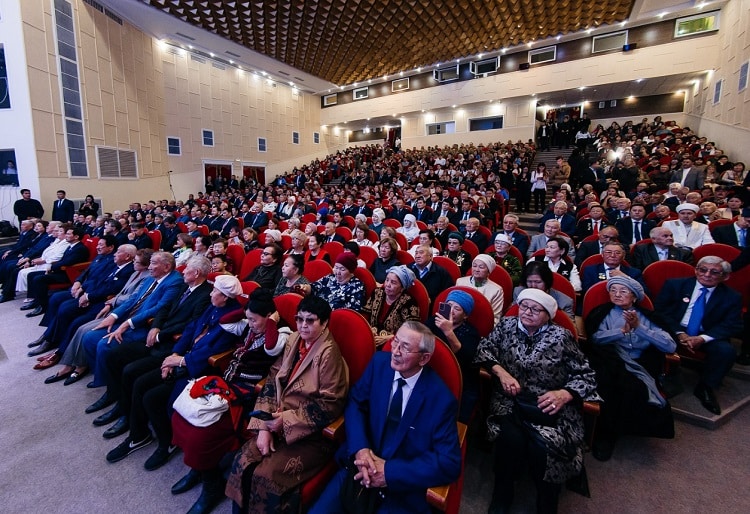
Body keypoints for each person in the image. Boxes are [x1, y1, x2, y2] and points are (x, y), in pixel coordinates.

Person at [308, 321, 461, 514]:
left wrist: (389, 472)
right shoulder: (379, 363)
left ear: (424, 358)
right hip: (359, 469)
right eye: (395, 341)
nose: (395, 351)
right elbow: (355, 403)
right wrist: (360, 449)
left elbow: (449, 463)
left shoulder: (441, 399)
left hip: (400, 490)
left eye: (405, 348)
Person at [474, 288, 600, 514]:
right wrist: (502, 373)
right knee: (510, 440)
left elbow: (586, 375)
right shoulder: (506, 326)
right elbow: (484, 350)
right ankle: (502, 494)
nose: (527, 312)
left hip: (549, 404)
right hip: (511, 401)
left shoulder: (561, 337)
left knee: (543, 447)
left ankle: (547, 499)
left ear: (547, 315)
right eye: (524, 306)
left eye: (535, 309)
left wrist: (564, 394)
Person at [104, 275, 243, 470]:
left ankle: (167, 443)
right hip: (183, 358)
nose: (211, 293)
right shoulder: (215, 306)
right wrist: (175, 354)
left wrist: (181, 361)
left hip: (200, 371)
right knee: (139, 382)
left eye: (215, 291)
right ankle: (138, 435)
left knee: (151, 397)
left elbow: (213, 352)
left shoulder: (232, 319)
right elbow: (191, 329)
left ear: (225, 297)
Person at [170, 288, 292, 512]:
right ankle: (200, 470)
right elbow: (225, 322)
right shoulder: (249, 324)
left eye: (255, 320)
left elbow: (271, 347)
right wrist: (247, 313)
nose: (250, 324)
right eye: (249, 319)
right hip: (226, 384)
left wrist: (271, 322)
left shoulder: (282, 332)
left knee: (202, 434)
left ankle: (212, 486)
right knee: (183, 414)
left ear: (269, 316)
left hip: (249, 393)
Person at [226, 295, 349, 513]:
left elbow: (331, 405)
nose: (303, 325)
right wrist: (264, 427)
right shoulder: (293, 339)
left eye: (310, 320)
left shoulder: (329, 354)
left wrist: (286, 421)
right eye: (299, 319)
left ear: (324, 323)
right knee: (242, 461)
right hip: (275, 419)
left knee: (265, 476)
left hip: (310, 434)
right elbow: (272, 378)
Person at [585, 276, 676, 461]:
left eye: (623, 291)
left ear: (634, 297)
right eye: (613, 290)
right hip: (609, 359)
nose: (617, 294)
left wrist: (639, 328)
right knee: (609, 384)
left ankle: (622, 429)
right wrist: (620, 332)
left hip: (640, 362)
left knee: (635, 389)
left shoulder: (647, 317)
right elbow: (595, 339)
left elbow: (670, 346)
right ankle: (605, 435)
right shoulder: (603, 313)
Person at [655, 257, 743, 415]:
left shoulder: (732, 297)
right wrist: (680, 333)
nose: (707, 275)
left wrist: (702, 338)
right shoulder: (675, 285)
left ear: (725, 276)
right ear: (696, 270)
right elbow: (661, 312)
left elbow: (732, 324)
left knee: (726, 351)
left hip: (707, 334)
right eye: (703, 270)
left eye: (714, 272)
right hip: (674, 329)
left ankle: (706, 387)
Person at [427, 290, 481, 423]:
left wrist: (448, 331)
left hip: (460, 376)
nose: (451, 311)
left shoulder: (471, 333)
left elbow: (465, 359)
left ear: (465, 315)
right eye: (449, 305)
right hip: (432, 370)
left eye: (457, 308)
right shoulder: (434, 321)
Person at [362, 265, 420, 346]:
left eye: (393, 282)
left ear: (402, 288)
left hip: (394, 343)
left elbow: (411, 330)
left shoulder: (409, 302)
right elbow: (365, 314)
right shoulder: (377, 292)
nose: (387, 285)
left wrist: (392, 337)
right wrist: (368, 329)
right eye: (387, 280)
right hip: (370, 336)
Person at [298, 252, 365, 310]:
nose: (337, 272)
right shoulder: (330, 278)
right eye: (336, 267)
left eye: (342, 269)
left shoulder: (357, 287)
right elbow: (314, 287)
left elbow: (351, 311)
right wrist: (306, 288)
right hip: (314, 311)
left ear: (351, 271)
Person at [456, 254, 504, 324]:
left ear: (488, 271)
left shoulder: (497, 290)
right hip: (459, 322)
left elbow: (495, 317)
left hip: (483, 324)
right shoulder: (460, 282)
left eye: (481, 267)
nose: (476, 270)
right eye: (474, 266)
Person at [581, 242, 646, 293]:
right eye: (608, 252)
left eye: (617, 253)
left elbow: (644, 293)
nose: (612, 255)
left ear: (623, 256)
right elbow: (586, 292)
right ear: (602, 254)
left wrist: (625, 277)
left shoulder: (634, 272)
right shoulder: (591, 270)